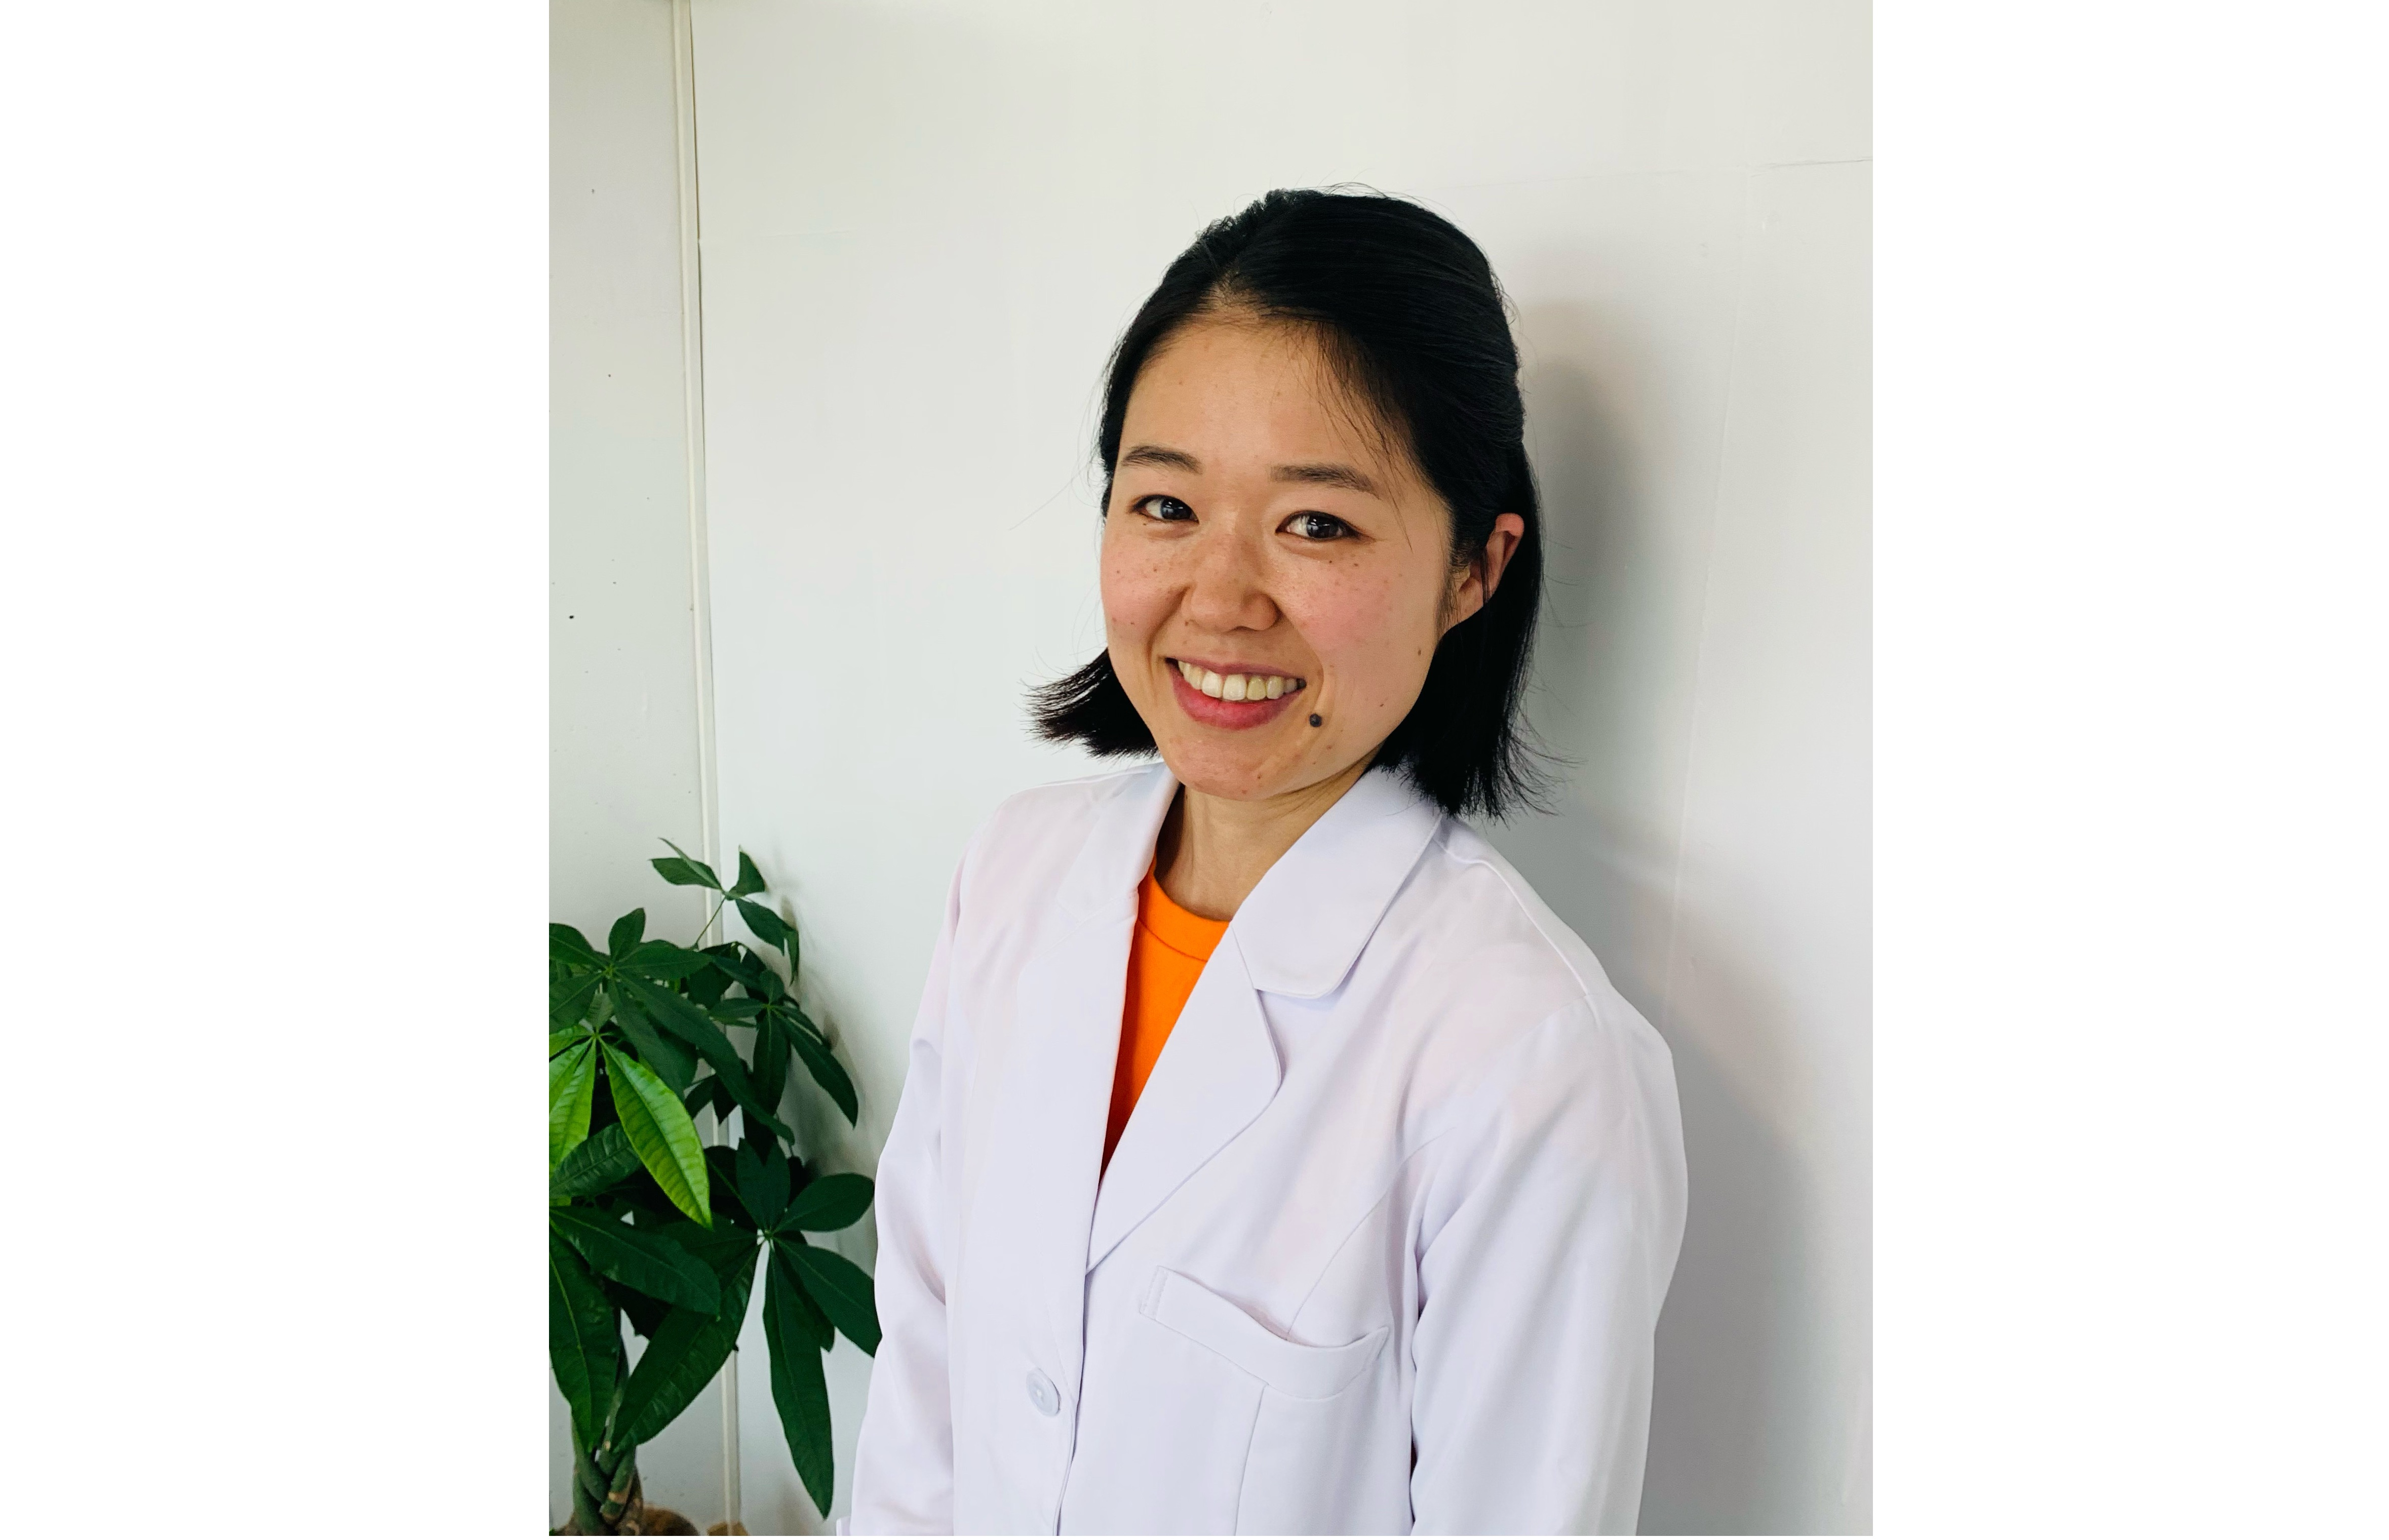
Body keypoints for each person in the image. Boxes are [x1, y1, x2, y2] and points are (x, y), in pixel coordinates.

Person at [846, 189, 1688, 1535]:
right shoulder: (1012, 877)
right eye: (1167, 503)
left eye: (1317, 524)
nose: (1223, 598)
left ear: (1474, 568)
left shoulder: (1529, 1057)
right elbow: (923, 1388)